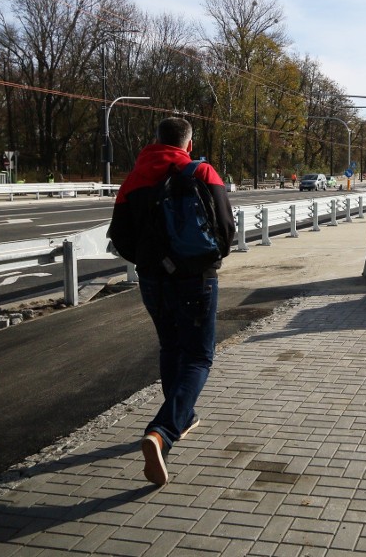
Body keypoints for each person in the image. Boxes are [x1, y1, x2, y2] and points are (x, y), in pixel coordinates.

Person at [108, 117, 236, 486]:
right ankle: (163, 430)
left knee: (171, 347)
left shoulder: (132, 179)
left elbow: (119, 234)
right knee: (199, 355)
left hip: (152, 280)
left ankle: (182, 415)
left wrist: (148, 263)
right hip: (196, 277)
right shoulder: (201, 171)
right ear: (189, 144)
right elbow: (225, 227)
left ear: (155, 140)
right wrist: (210, 258)